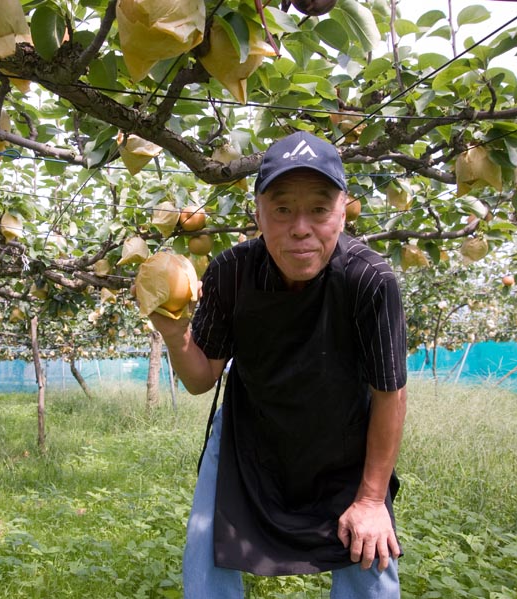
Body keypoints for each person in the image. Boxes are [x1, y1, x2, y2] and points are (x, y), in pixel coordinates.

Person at [148, 130, 408, 598]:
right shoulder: (231, 271)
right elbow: (202, 378)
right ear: (258, 213)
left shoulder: (370, 279)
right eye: (283, 208)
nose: (301, 228)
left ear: (343, 211)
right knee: (206, 553)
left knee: (370, 555)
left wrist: (371, 499)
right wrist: (173, 332)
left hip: (344, 436)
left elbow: (389, 394)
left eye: (319, 209)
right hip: (251, 434)